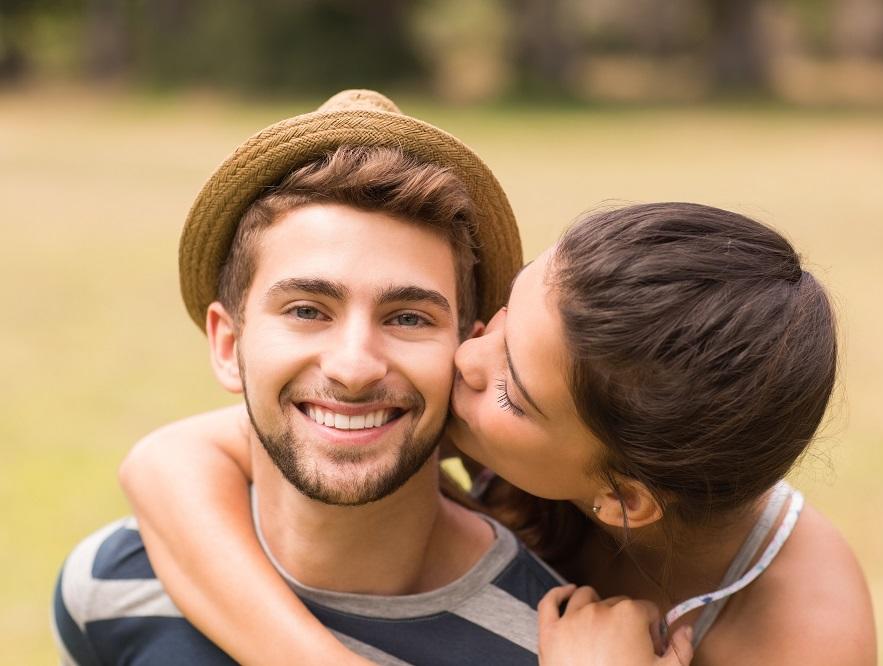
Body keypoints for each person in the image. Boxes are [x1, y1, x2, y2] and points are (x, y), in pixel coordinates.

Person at [117, 199, 877, 665]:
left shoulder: (798, 630)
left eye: (511, 386)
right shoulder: (518, 400)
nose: (464, 357)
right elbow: (164, 464)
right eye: (505, 315)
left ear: (620, 500)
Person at [51, 90, 593, 666]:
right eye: (307, 310)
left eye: (408, 318)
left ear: (464, 352)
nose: (354, 368)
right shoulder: (108, 591)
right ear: (229, 345)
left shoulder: (557, 645)